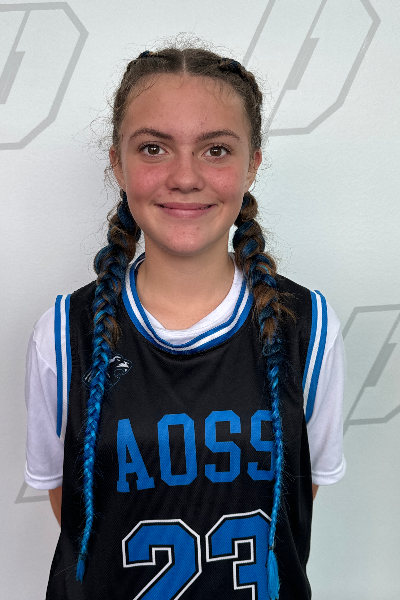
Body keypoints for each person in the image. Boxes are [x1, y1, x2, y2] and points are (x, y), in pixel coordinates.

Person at [24, 44, 346, 600]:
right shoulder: (63, 334)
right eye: (154, 148)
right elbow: (71, 509)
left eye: (216, 150)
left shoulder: (307, 328)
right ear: (118, 163)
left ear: (253, 163)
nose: (185, 177)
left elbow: (297, 500)